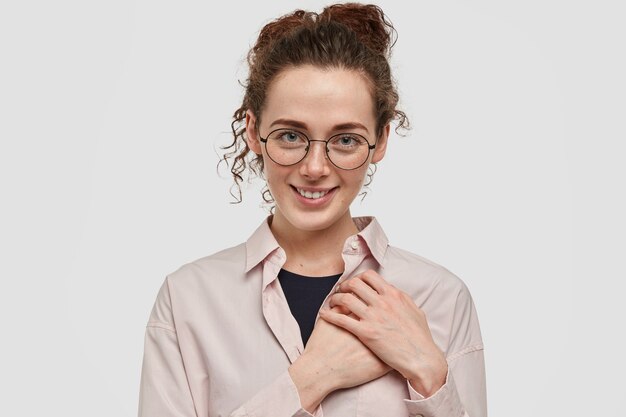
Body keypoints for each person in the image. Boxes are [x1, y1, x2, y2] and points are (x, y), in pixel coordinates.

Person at [138, 3, 487, 417]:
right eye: (290, 135)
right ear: (253, 131)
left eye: (345, 140)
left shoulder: (440, 298)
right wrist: (313, 377)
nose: (315, 168)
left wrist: (430, 375)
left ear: (381, 140)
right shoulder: (188, 300)